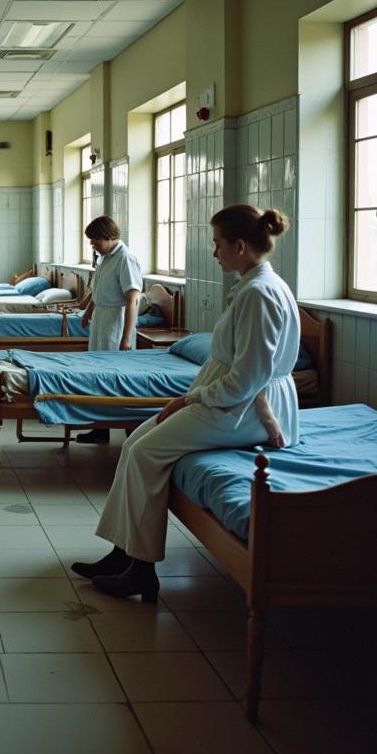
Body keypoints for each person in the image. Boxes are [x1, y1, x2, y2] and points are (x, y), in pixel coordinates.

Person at [71, 205, 300, 601]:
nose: (214, 253)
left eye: (218, 244)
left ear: (241, 246)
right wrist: (192, 398)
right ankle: (122, 552)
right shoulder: (251, 286)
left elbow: (248, 378)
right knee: (134, 443)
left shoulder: (260, 294)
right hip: (234, 400)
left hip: (245, 409)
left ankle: (141, 570)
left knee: (144, 452)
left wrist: (191, 398)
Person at [76, 216, 142, 443]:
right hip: (102, 319)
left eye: (96, 241)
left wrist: (125, 338)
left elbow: (132, 300)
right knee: (98, 375)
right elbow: (98, 290)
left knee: (115, 376)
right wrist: (88, 313)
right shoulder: (105, 257)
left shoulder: (125, 258)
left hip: (116, 320)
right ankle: (101, 429)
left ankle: (129, 429)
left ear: (110, 237)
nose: (93, 245)